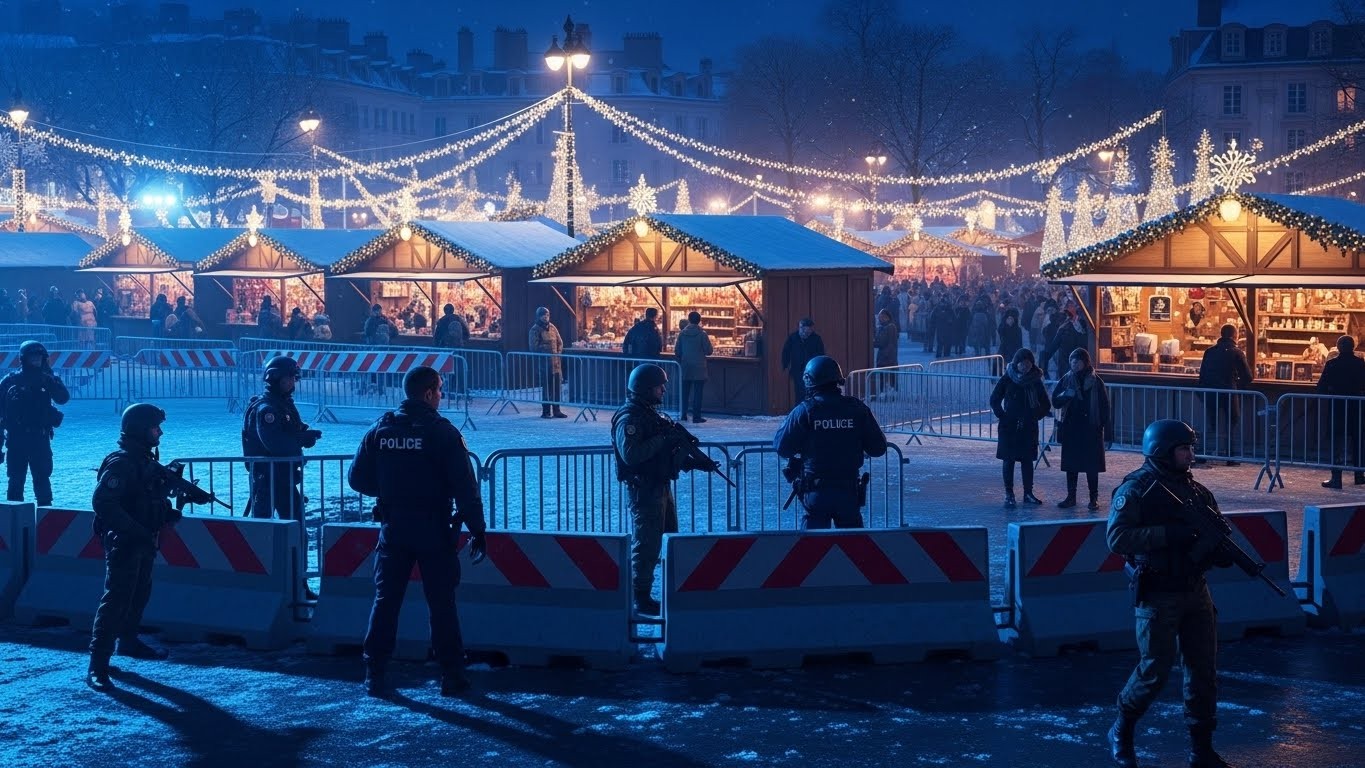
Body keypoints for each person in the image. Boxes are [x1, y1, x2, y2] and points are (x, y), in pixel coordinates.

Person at [348, 366, 487, 697]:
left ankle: (375, 674)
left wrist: (389, 490)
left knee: (386, 601)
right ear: (428, 394)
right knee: (441, 604)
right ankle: (452, 676)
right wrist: (477, 529)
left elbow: (357, 478)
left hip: (394, 528)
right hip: (434, 529)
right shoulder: (442, 433)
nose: (441, 396)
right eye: (439, 390)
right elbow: (466, 488)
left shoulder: (381, 430)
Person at [1105, 419, 1238, 768]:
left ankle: (1201, 748)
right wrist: (1168, 534)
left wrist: (1219, 552)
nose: (1191, 455)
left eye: (1191, 448)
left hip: (1195, 590)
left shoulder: (1196, 492)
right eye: (1184, 448)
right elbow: (1116, 539)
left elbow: (1214, 532)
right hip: (1158, 592)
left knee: (1203, 672)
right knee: (1154, 671)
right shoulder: (1137, 489)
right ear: (1163, 450)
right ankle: (1122, 730)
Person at [86, 404, 212, 691]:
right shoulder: (122, 462)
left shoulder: (145, 462)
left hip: (144, 538)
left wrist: (168, 513)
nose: (160, 433)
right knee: (116, 599)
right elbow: (104, 502)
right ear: (139, 429)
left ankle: (128, 642)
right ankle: (98, 664)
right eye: (155, 428)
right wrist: (136, 530)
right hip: (126, 540)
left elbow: (149, 497)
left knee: (139, 593)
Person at [612, 363, 718, 615]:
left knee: (669, 538)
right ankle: (641, 596)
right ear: (645, 388)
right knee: (647, 544)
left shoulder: (650, 415)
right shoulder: (630, 418)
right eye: (659, 386)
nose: (663, 390)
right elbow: (631, 454)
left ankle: (670, 591)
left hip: (659, 486)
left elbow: (666, 455)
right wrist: (663, 439)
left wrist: (694, 463)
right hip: (644, 489)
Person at [775, 355, 888, 529]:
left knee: (813, 550)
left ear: (809, 381)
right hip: (848, 493)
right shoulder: (856, 409)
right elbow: (878, 448)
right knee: (854, 550)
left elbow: (782, 447)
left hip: (816, 494)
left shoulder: (805, 411)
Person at [241, 356, 320, 521]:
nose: (293, 382)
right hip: (266, 479)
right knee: (263, 531)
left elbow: (292, 426)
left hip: (283, 477)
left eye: (294, 378)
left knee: (296, 528)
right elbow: (275, 443)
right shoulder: (266, 409)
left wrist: (306, 433)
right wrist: (301, 439)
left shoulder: (282, 404)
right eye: (289, 378)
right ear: (276, 378)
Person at [1, 340, 70, 505]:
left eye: (39, 358)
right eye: (33, 358)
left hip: (40, 438)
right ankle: (14, 524)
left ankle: (46, 521)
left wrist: (51, 377)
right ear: (24, 359)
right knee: (16, 484)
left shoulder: (47, 379)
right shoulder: (11, 381)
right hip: (17, 439)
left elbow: (63, 398)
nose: (36, 361)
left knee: (42, 483)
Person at [1051, 348, 1111, 509]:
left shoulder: (1096, 381)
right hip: (1071, 428)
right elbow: (1055, 401)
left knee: (1092, 466)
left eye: (1077, 361)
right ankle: (1071, 497)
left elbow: (1105, 407)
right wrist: (1066, 395)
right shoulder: (1066, 379)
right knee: (1072, 465)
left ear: (1085, 362)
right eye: (1072, 360)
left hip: (1091, 429)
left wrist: (1107, 432)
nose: (1074, 363)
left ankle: (1093, 498)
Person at [990, 348, 1051, 507]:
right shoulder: (1007, 378)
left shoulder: (1035, 380)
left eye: (1028, 364)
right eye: (1022, 363)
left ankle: (1028, 493)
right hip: (1009, 427)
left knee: (1027, 461)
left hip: (1028, 427)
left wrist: (1035, 415)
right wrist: (1003, 416)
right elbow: (994, 399)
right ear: (1016, 363)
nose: (1025, 367)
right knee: (1008, 460)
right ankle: (1009, 493)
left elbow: (1045, 403)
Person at [1197, 324, 1253, 466]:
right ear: (1235, 336)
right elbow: (1247, 377)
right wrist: (1236, 384)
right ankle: (1230, 456)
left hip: (1210, 393)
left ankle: (1202, 453)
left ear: (1221, 335)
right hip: (1229, 393)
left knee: (1211, 424)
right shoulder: (1237, 353)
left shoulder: (1209, 352)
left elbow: (1202, 374)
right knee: (1231, 425)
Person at [1317, 334, 1365, 488]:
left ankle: (1336, 478)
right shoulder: (1360, 364)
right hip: (1357, 408)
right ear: (1353, 347)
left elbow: (1321, 387)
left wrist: (1331, 391)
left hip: (1337, 408)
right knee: (1358, 442)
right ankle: (1359, 475)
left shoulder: (1332, 364)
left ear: (1338, 347)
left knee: (1336, 443)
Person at [672, 311, 712, 423]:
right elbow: (709, 351)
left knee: (685, 392)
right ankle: (696, 416)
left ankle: (683, 414)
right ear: (699, 321)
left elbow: (677, 351)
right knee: (698, 393)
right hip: (699, 367)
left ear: (689, 320)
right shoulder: (702, 334)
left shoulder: (682, 334)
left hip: (685, 367)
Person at [529, 306, 567, 419]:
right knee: (547, 387)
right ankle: (546, 411)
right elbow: (533, 347)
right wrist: (545, 349)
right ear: (539, 316)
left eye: (547, 315)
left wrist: (558, 353)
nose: (546, 317)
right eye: (543, 315)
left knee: (556, 387)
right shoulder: (535, 329)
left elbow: (560, 342)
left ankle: (557, 410)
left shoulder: (552, 327)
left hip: (556, 363)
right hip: (544, 363)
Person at [780, 318, 825, 405]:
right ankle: (800, 411)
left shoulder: (816, 339)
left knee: (811, 391)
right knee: (799, 392)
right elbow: (786, 351)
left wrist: (819, 368)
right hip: (797, 369)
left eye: (807, 331)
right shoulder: (793, 338)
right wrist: (785, 365)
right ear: (799, 328)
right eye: (802, 329)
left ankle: (810, 410)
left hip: (812, 370)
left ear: (811, 329)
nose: (804, 332)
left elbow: (821, 354)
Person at [1043, 303, 1089, 379]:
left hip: (1069, 368)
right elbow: (1052, 348)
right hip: (1074, 367)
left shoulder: (1064, 329)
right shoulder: (1065, 329)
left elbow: (1052, 348)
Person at [871, 308, 899, 399]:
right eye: (879, 317)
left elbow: (882, 342)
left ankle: (890, 393)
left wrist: (875, 340)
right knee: (886, 376)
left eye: (881, 317)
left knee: (889, 376)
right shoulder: (885, 327)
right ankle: (888, 393)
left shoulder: (889, 327)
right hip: (887, 356)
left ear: (886, 317)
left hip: (887, 357)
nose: (880, 319)